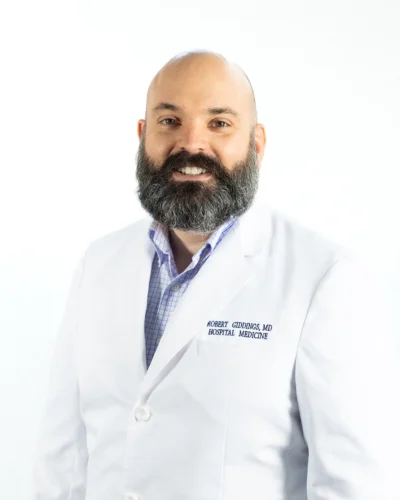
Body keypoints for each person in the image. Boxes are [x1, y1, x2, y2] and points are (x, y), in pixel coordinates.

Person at [32, 50, 399, 500]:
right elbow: (62, 462)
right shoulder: (100, 263)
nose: (191, 144)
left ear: (256, 144)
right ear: (143, 136)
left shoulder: (325, 278)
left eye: (219, 123)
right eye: (169, 121)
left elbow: (356, 486)